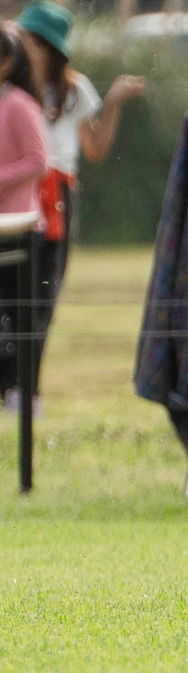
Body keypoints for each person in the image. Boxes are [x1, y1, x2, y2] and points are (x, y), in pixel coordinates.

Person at [14, 0, 145, 362]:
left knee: (44, 290)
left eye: (25, 38)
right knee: (12, 289)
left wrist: (113, 104)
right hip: (16, 192)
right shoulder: (12, 89)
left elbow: (95, 149)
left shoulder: (75, 91)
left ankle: (26, 390)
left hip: (57, 193)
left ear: (46, 47)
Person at [0, 26, 47, 413]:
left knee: (19, 313)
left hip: (19, 226)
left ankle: (23, 391)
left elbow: (37, 161)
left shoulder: (18, 105)